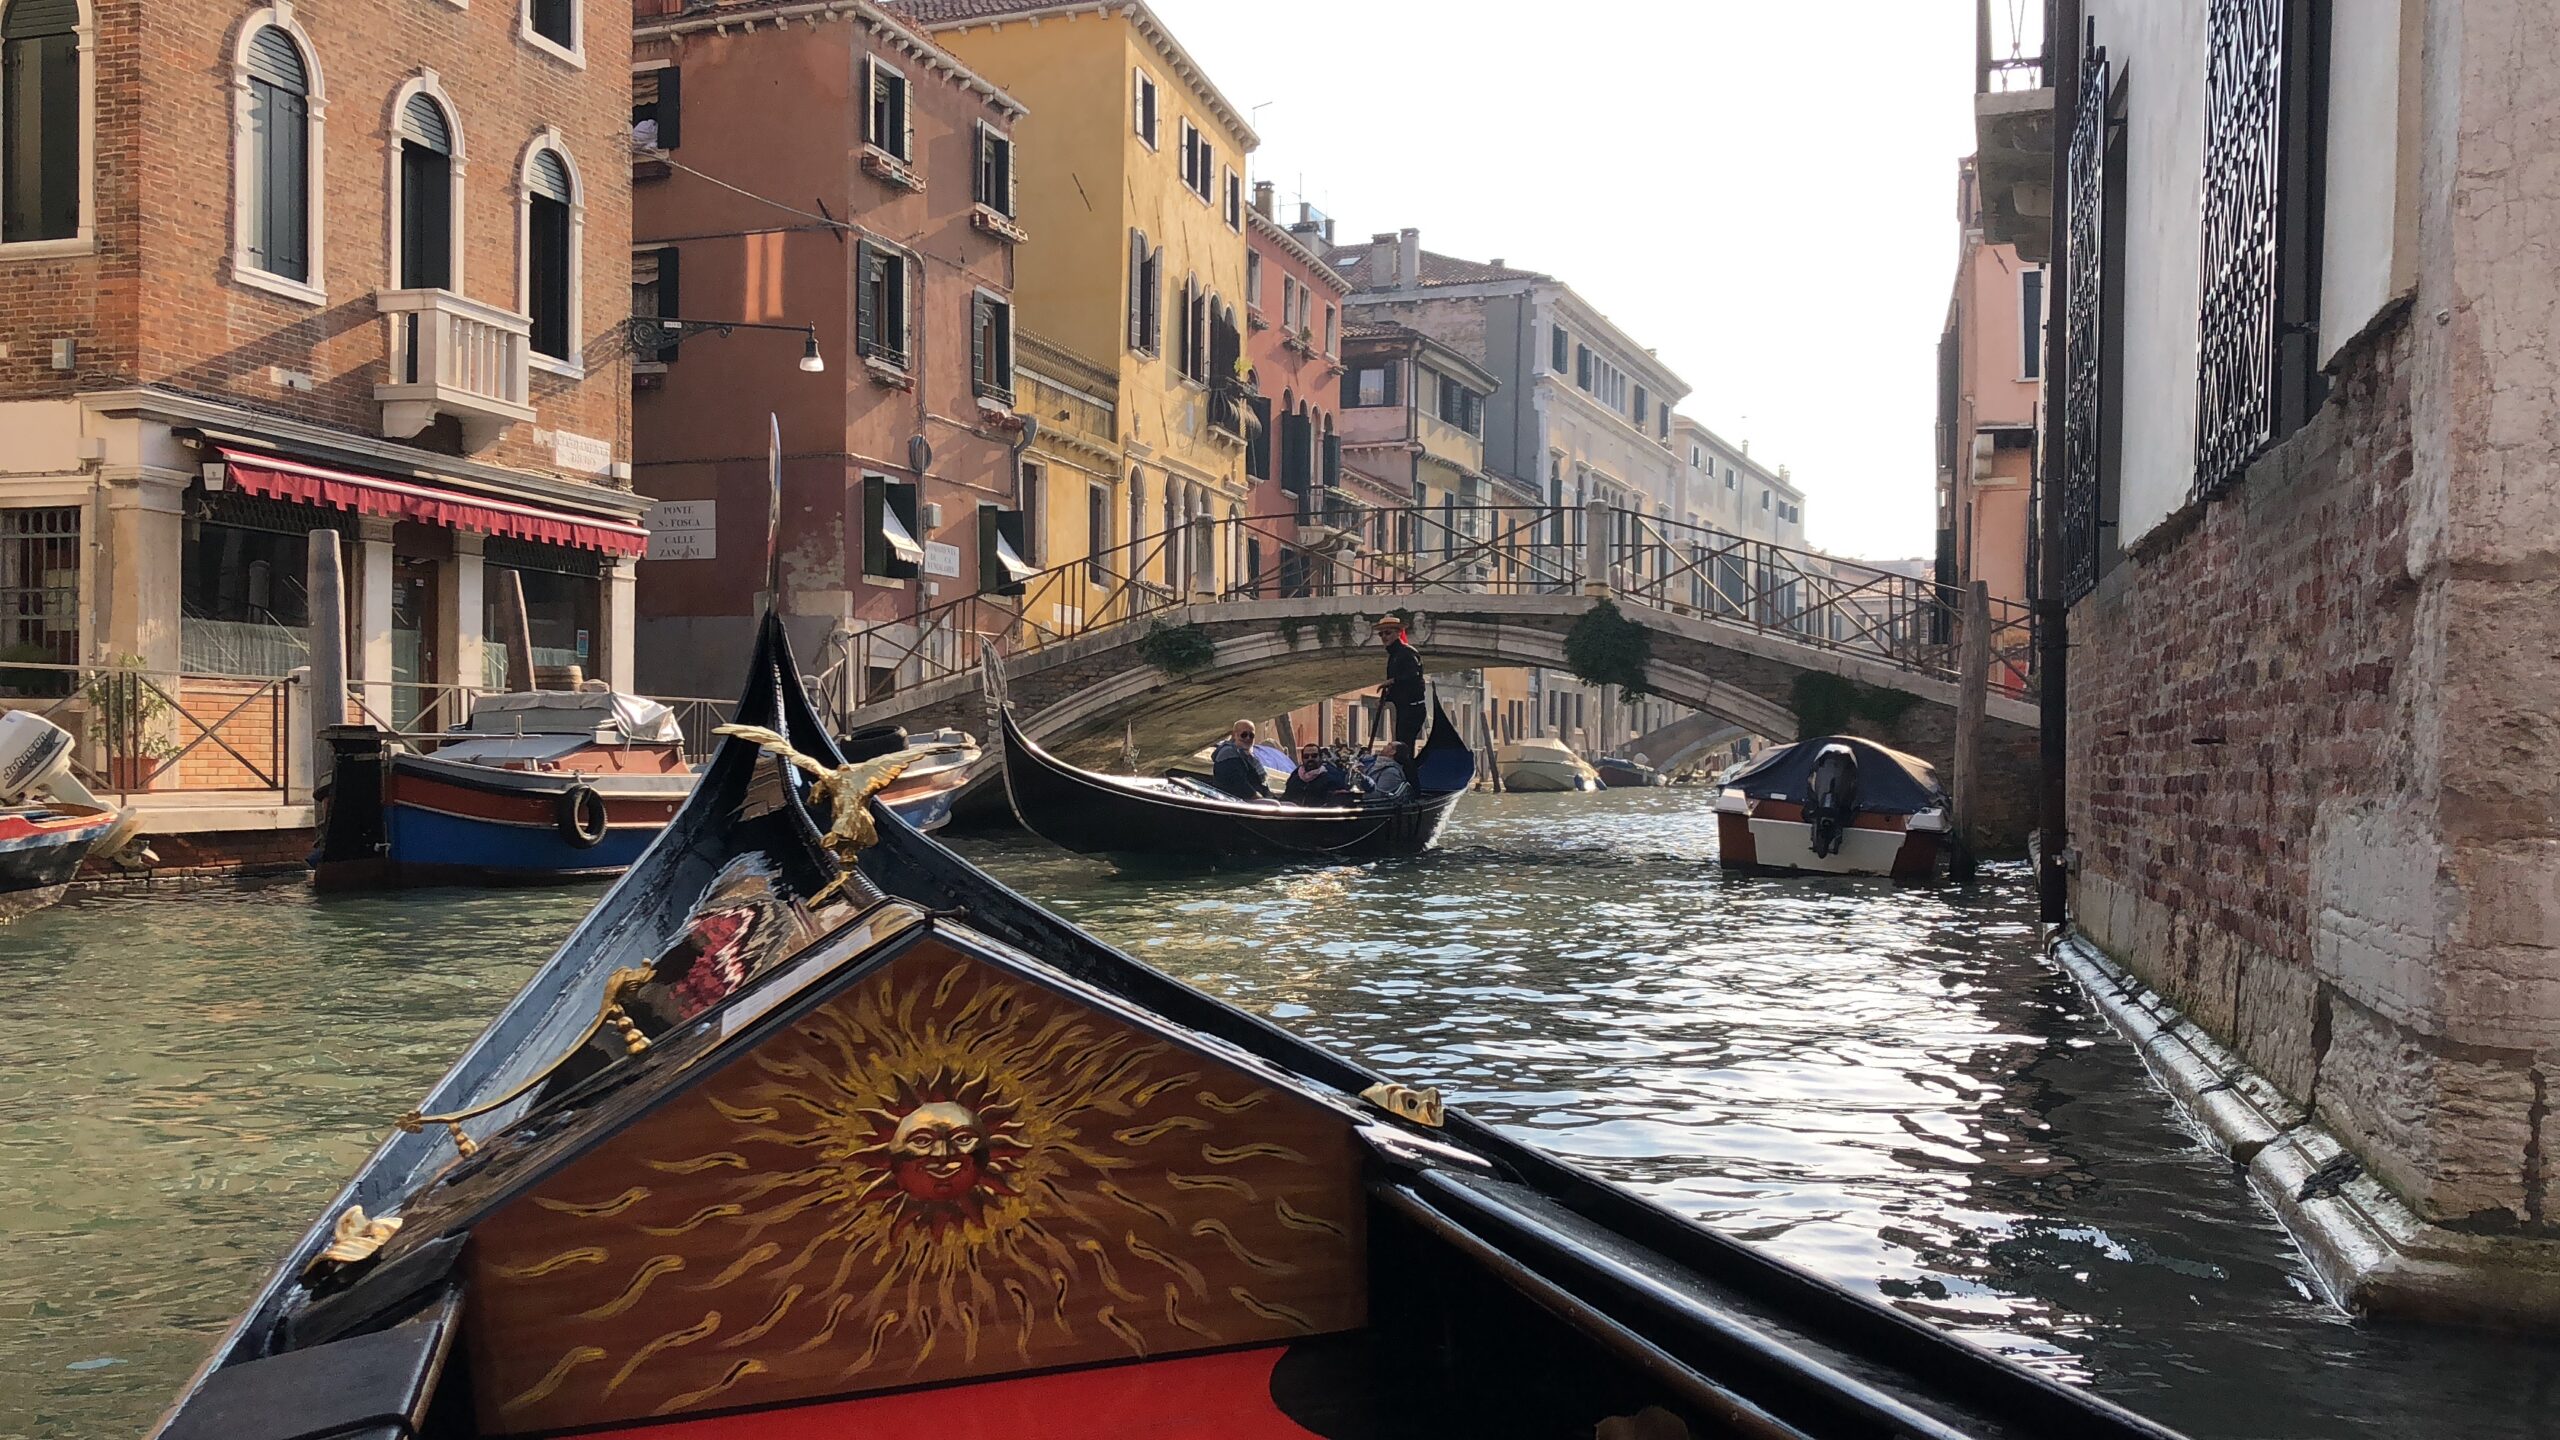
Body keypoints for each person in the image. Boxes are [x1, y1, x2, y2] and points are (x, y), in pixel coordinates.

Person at [1372, 615, 1425, 762]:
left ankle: (1409, 780)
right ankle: (1405, 777)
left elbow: (1413, 677)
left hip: (1413, 709)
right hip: (1404, 708)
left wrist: (1392, 681)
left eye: (1387, 633)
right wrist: (1386, 699)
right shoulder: (1394, 655)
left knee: (1403, 749)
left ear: (1398, 633)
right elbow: (1400, 689)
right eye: (1381, 634)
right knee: (1401, 748)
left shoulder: (1408, 653)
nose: (1384, 636)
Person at [1210, 721, 1270, 800]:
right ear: (1234, 735)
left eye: (1251, 735)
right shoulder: (1228, 754)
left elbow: (1261, 784)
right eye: (1244, 735)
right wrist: (1261, 799)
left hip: (1249, 800)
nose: (1248, 738)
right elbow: (1240, 785)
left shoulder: (1249, 757)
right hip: (1233, 801)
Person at [1283, 743, 1355, 804]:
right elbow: (1286, 798)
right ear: (1302, 759)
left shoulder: (1331, 777)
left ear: (1320, 757)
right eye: (1306, 756)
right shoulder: (1295, 777)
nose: (1310, 759)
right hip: (1295, 817)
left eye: (1314, 756)